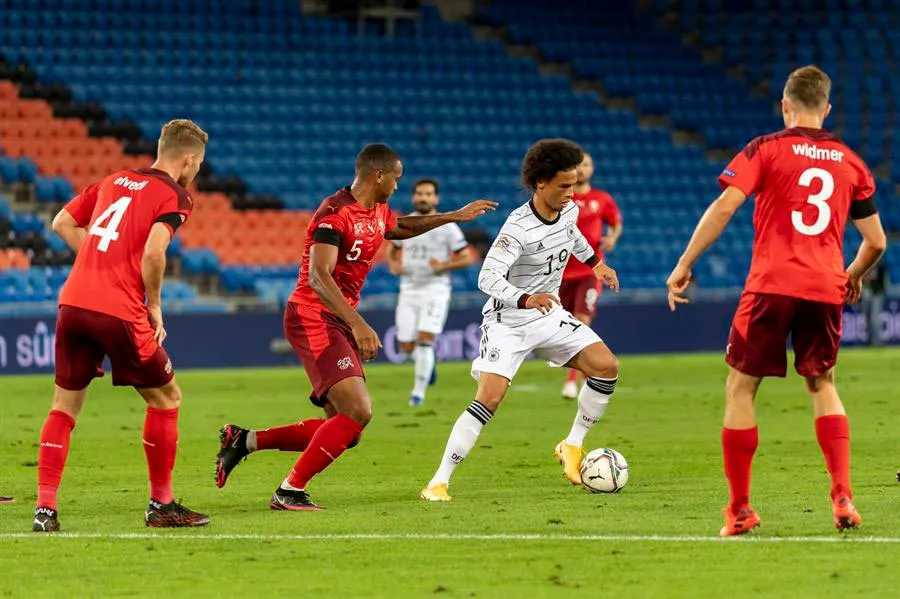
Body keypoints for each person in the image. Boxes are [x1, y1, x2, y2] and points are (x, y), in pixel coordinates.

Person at [666, 65, 887, 536]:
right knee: (823, 385)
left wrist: (685, 263)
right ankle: (843, 496)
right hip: (824, 287)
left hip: (770, 284)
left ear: (785, 106)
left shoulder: (765, 149)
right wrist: (852, 274)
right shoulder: (850, 162)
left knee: (741, 389)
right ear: (827, 109)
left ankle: (741, 509)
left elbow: (725, 206)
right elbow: (877, 242)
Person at [215, 144, 495, 510]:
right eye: (395, 179)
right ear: (378, 176)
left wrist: (453, 216)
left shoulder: (378, 209)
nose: (397, 186)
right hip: (313, 316)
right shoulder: (334, 214)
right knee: (358, 412)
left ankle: (244, 440)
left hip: (336, 318)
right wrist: (358, 323)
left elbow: (403, 226)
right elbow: (318, 276)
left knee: (347, 431)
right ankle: (289, 491)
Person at [33, 119, 211, 532]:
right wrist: (155, 306)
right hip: (119, 310)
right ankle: (161, 505)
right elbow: (154, 252)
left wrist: (99, 261)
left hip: (73, 303)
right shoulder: (175, 194)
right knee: (167, 397)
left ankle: (45, 510)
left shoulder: (114, 180)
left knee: (63, 407)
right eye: (198, 164)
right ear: (188, 159)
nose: (196, 171)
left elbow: (61, 222)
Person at [420, 139, 620, 502]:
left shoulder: (569, 209)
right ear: (540, 183)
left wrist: (596, 264)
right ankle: (438, 481)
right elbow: (487, 278)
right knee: (491, 398)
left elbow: (572, 235)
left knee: (606, 366)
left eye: (573, 183)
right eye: (563, 185)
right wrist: (527, 298)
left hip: (549, 314)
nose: (571, 192)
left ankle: (572, 445)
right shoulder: (518, 228)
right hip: (508, 321)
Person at [387, 178, 476, 406]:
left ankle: (418, 393)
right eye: (419, 193)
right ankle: (427, 364)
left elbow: (467, 256)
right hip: (408, 289)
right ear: (414, 197)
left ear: (436, 198)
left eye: (428, 194)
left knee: (425, 339)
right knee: (406, 346)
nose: (423, 198)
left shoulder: (447, 226)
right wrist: (393, 264)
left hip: (435, 289)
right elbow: (392, 247)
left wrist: (444, 266)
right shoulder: (406, 224)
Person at [558, 152, 622, 399]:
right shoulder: (564, 198)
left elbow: (615, 222)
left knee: (581, 321)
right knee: (565, 326)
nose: (581, 169)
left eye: (585, 164)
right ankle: (587, 377)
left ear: (592, 169)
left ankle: (572, 381)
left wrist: (612, 239)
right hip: (562, 273)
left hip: (590, 271)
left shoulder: (602, 199)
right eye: (577, 165)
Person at [860, 261, 888, 346]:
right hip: (865, 294)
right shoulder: (862, 265)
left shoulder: (880, 266)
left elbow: (882, 282)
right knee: (867, 318)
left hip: (876, 294)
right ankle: (870, 340)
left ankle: (877, 340)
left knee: (874, 318)